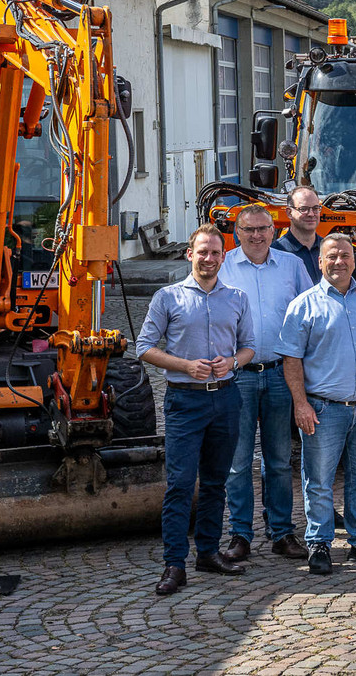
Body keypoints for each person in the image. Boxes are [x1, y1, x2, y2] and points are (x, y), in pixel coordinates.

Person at [137, 226, 256, 596]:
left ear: (224, 256)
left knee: (216, 482)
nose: (208, 258)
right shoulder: (168, 297)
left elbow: (249, 346)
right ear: (189, 254)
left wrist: (233, 363)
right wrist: (185, 365)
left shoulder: (236, 297)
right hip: (184, 401)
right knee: (180, 484)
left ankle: (207, 552)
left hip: (225, 397)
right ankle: (174, 564)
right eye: (202, 252)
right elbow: (143, 347)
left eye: (215, 253)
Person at [279, 235, 356, 575]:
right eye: (331, 256)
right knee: (318, 480)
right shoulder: (303, 305)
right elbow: (291, 360)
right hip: (323, 409)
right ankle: (319, 543)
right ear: (320, 262)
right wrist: (300, 404)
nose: (339, 262)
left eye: (345, 256)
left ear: (355, 260)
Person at [217, 204, 314, 563]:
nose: (256, 236)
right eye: (248, 229)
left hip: (278, 373)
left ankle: (281, 531)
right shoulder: (223, 265)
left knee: (278, 459)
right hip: (236, 376)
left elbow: (310, 312)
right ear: (236, 233)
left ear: (274, 231)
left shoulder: (292, 266)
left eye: (263, 229)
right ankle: (240, 534)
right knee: (238, 462)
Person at [274, 185, 324, 281]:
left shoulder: (328, 249)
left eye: (315, 208)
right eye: (303, 209)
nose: (311, 214)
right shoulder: (276, 253)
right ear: (289, 213)